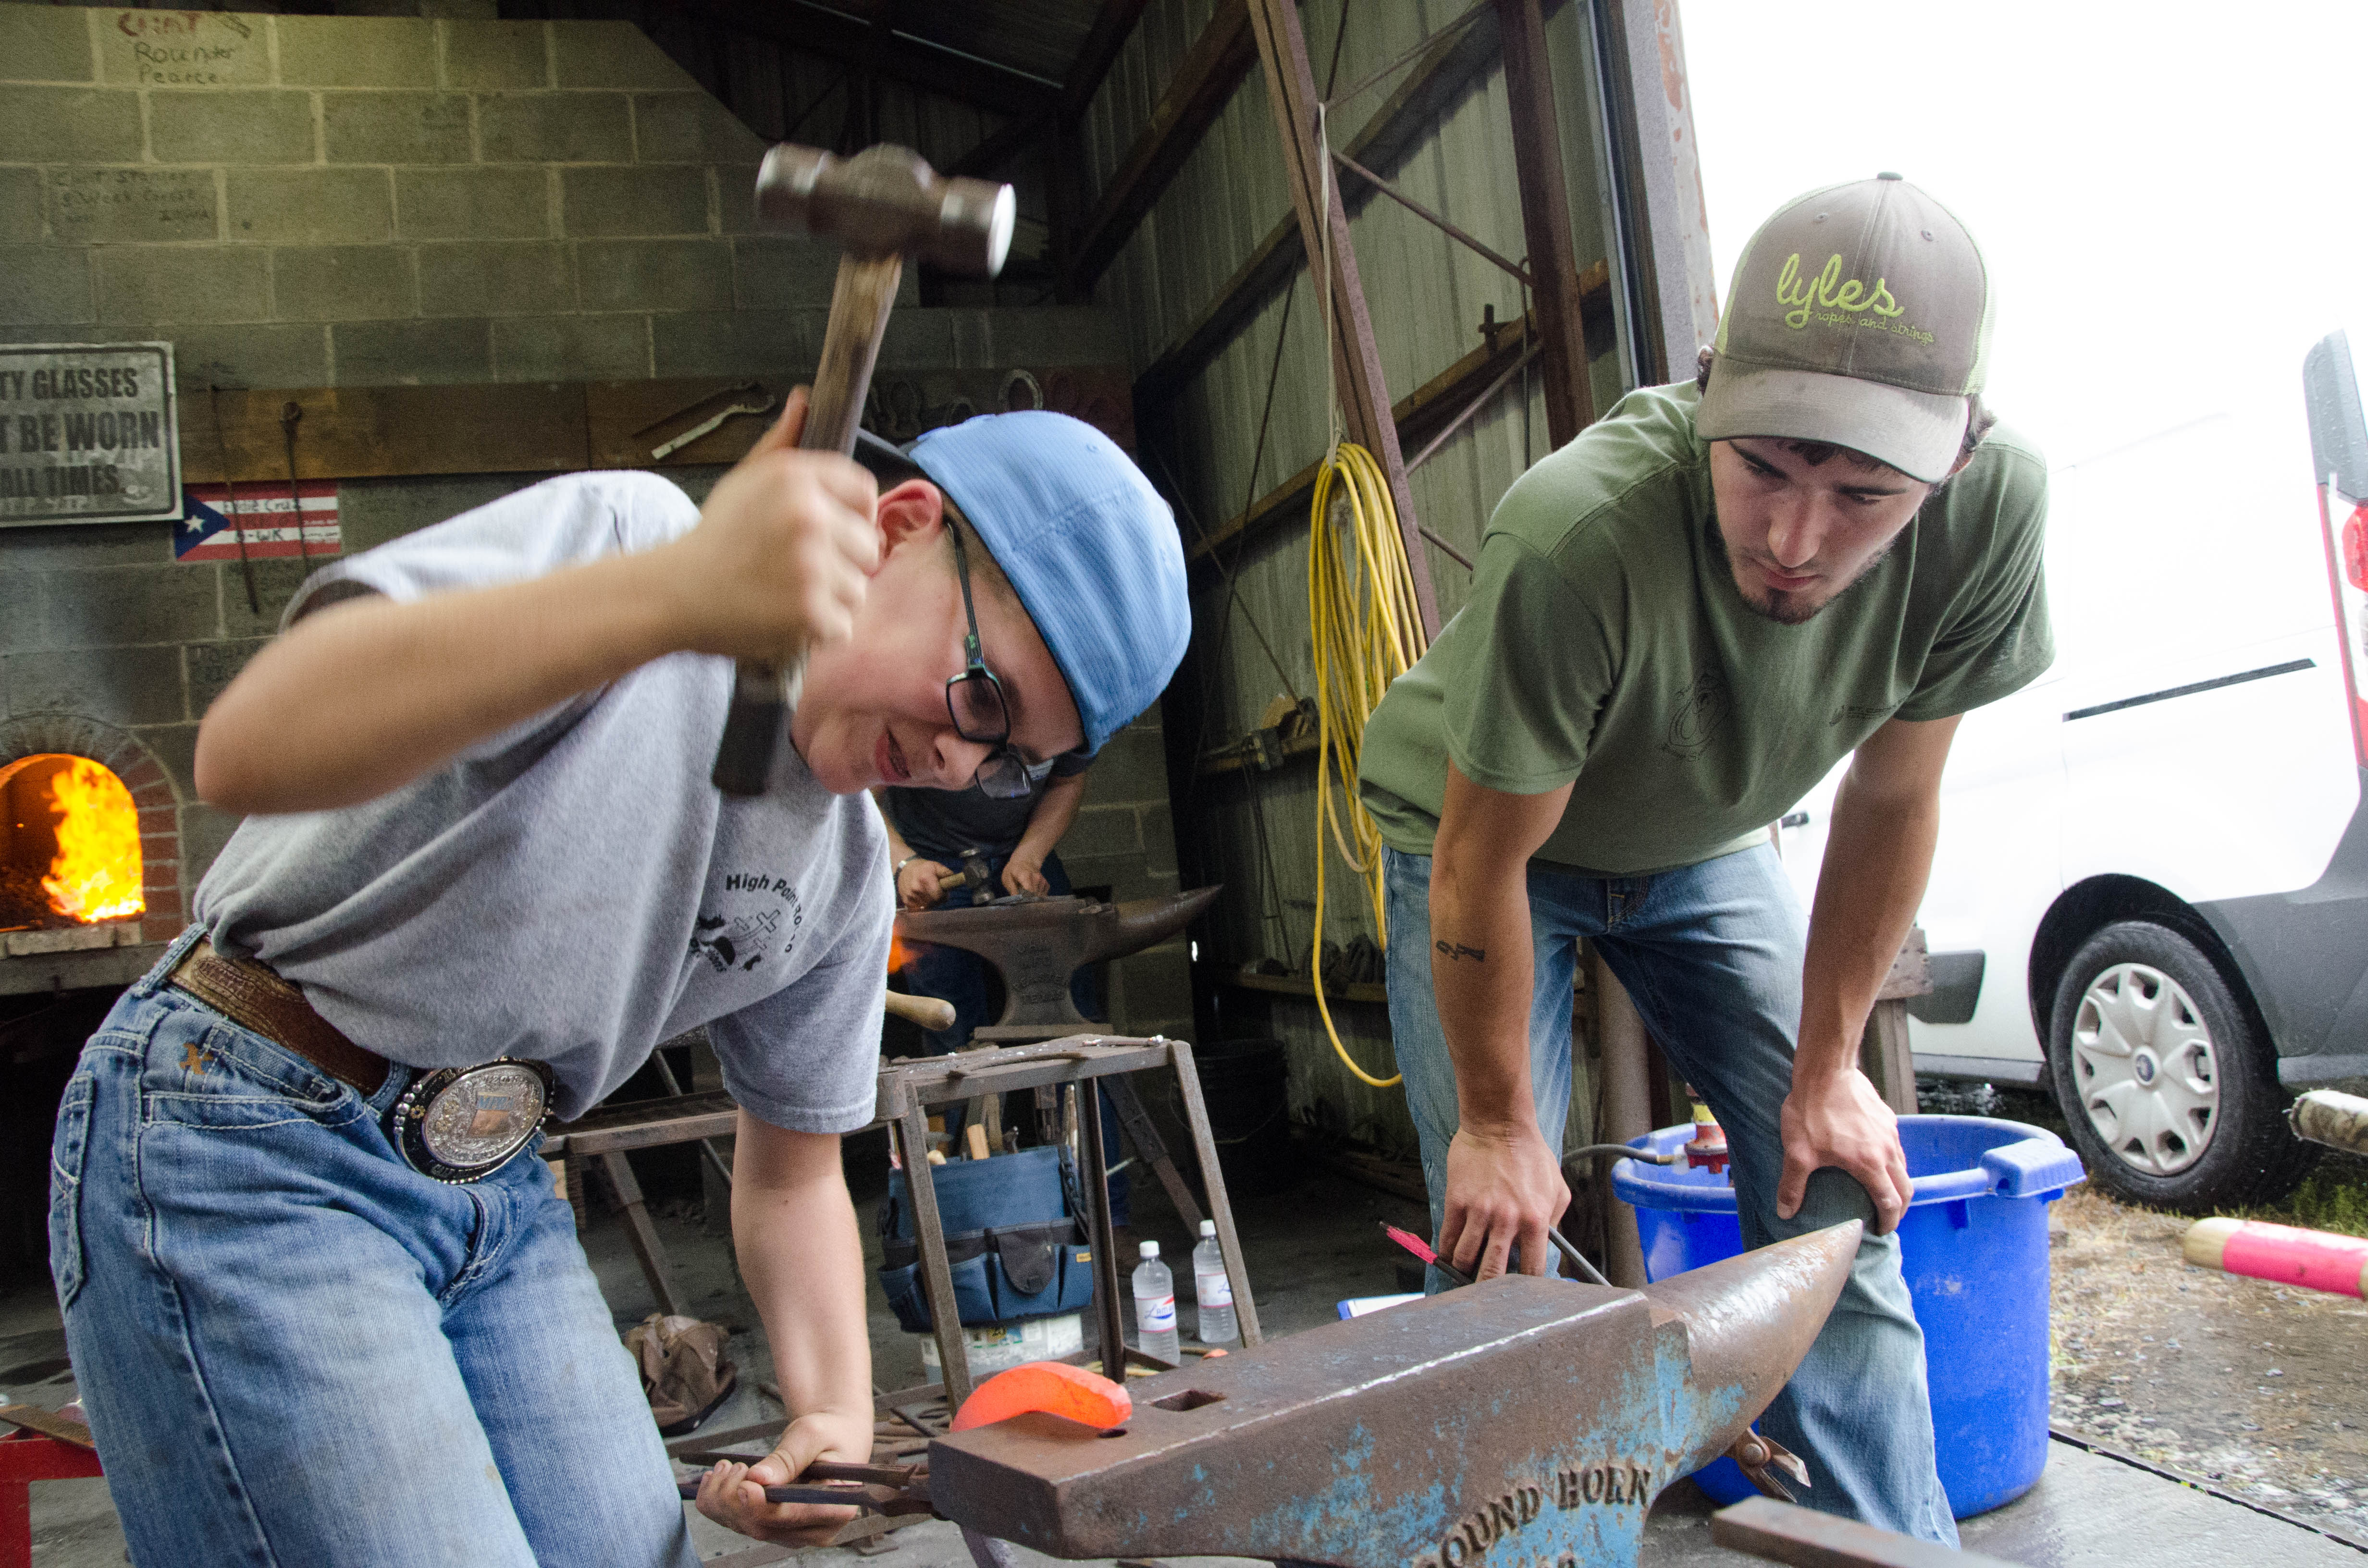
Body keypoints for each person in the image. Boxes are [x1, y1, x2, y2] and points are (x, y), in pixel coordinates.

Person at [46, 398, 1188, 1568]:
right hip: (245, 1125)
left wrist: (834, 1412)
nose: (959, 758)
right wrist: (680, 595)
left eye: (1005, 760)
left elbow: (792, 1174)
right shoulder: (642, 544)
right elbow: (251, 745)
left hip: (494, 1189)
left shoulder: (843, 882)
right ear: (898, 526)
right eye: (984, 698)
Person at [1357, 174, 2049, 1545]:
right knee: (1497, 1257)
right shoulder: (1580, 533)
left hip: (1703, 835)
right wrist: (1500, 1123)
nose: (1796, 543)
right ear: (1710, 390)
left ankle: (1889, 1549)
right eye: (1765, 470)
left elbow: (1893, 797)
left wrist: (1831, 1066)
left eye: (1863, 494)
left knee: (1839, 1196)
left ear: (1959, 456)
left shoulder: (1992, 523)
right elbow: (1484, 860)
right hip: (1490, 851)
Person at [876, 753, 1132, 1228]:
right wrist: (902, 862)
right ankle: (963, 1228)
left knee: (1073, 1037)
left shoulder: (1072, 700)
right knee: (951, 1054)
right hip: (930, 866)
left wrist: (1030, 854)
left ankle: (1104, 1221)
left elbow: (1067, 779)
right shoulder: (917, 692)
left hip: (1024, 856)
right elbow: (859, 786)